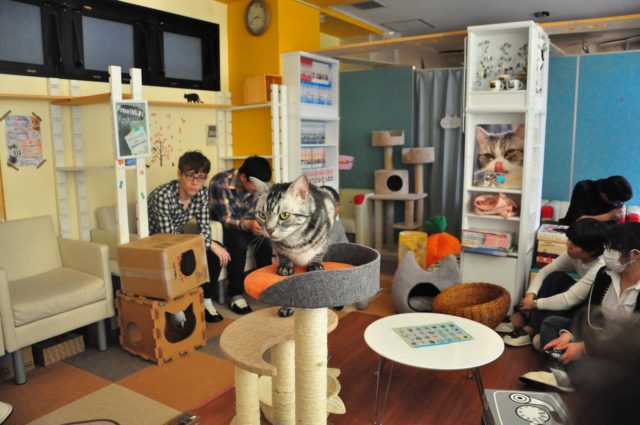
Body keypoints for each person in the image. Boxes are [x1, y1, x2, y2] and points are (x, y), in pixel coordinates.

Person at [520, 222, 640, 392]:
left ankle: (562, 370)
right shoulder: (605, 275)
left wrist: (584, 348)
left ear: (635, 255)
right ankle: (562, 371)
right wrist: (569, 335)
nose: (607, 253)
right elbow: (588, 313)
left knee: (614, 371)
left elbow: (632, 342)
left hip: (622, 351)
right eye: (607, 247)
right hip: (594, 337)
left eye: (614, 249)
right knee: (551, 323)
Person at [148, 151, 229, 325]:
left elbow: (204, 226)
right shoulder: (162, 196)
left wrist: (210, 244)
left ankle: (206, 300)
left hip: (178, 238)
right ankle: (176, 306)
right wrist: (207, 243)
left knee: (214, 251)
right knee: (180, 255)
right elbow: (169, 238)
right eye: (190, 176)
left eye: (201, 178)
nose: (195, 183)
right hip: (156, 244)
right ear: (179, 174)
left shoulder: (202, 193)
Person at [502, 219, 606, 347]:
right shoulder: (572, 254)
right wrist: (530, 296)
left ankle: (531, 329)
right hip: (574, 299)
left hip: (590, 310)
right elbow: (543, 273)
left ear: (591, 251)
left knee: (566, 295)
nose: (569, 245)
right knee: (555, 277)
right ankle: (524, 316)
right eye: (569, 240)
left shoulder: (600, 266)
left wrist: (534, 304)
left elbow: (569, 299)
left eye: (575, 245)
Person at [209, 156, 273, 315]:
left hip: (250, 223)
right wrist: (247, 225)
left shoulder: (259, 187)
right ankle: (235, 293)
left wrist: (261, 224)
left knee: (265, 240)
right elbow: (225, 219)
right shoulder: (220, 183)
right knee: (238, 242)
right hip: (227, 226)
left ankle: (265, 284)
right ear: (243, 177)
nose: (258, 189)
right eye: (255, 185)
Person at [559, 175, 632, 225]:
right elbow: (576, 220)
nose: (619, 204)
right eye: (617, 202)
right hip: (572, 229)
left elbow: (611, 225)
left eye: (621, 202)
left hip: (600, 233)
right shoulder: (584, 188)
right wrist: (608, 216)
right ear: (604, 195)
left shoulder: (616, 196)